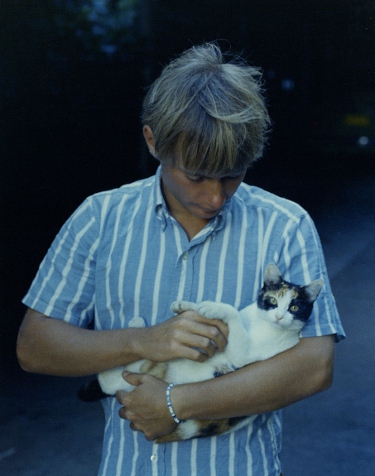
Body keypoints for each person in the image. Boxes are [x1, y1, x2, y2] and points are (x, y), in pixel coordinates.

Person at [17, 43, 344, 476]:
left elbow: (315, 366)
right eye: (197, 175)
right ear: (153, 141)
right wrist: (142, 341)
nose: (215, 197)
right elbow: (34, 347)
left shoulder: (284, 224)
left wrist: (176, 404)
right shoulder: (99, 218)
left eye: (232, 175)